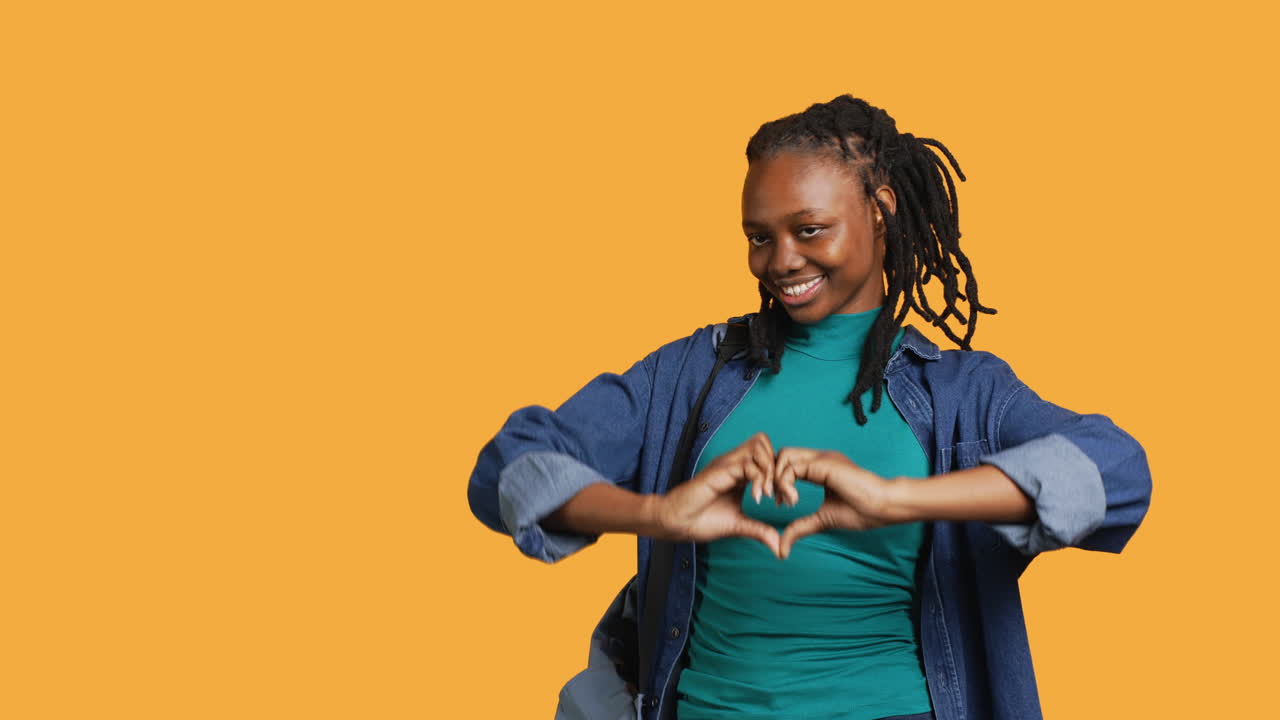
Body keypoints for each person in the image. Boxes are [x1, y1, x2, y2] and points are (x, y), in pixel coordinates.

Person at [467, 94, 1152, 720]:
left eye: (810, 229)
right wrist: (657, 514)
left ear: (881, 210)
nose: (781, 261)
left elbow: (1116, 472)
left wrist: (897, 499)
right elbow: (508, 469)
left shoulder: (962, 394)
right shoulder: (688, 375)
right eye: (759, 237)